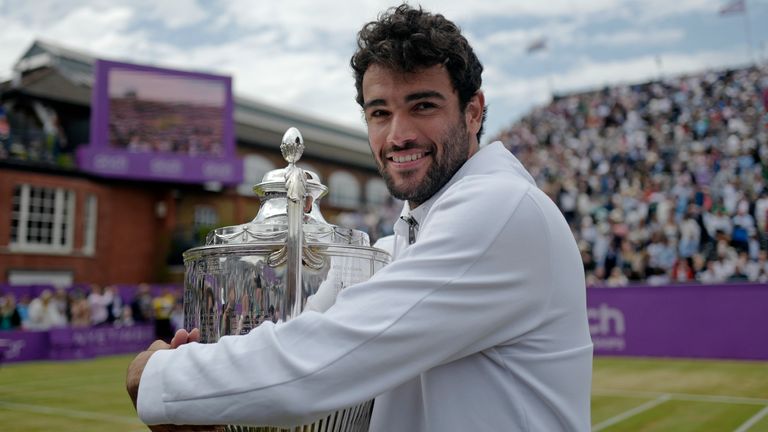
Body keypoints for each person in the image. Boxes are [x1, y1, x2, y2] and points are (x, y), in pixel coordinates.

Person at [127, 5, 593, 431]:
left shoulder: (501, 210)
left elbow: (321, 361)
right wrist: (209, 389)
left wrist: (165, 376)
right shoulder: (397, 246)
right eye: (380, 112)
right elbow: (303, 336)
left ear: (473, 112)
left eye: (423, 106)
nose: (399, 134)